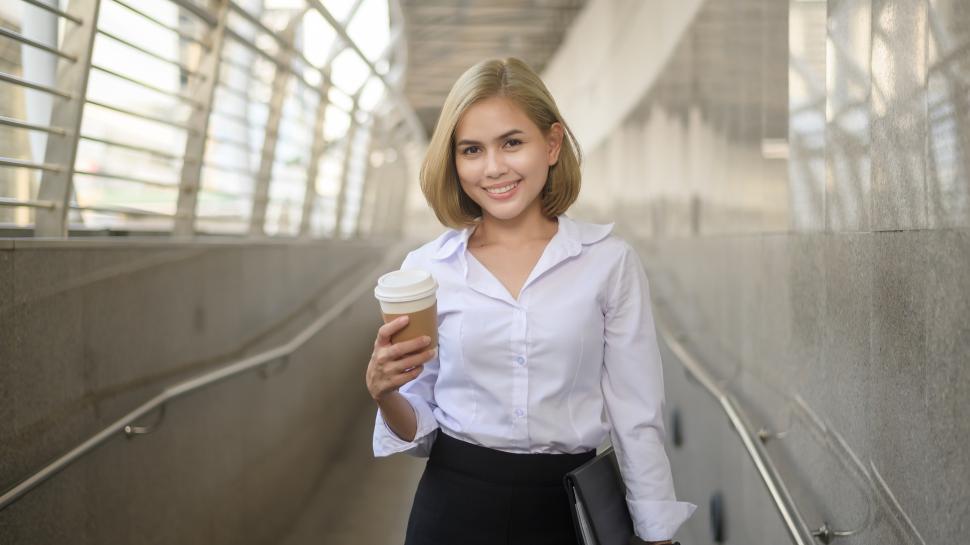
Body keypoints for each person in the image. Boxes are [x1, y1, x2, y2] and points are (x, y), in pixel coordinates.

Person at [366, 57, 696, 545]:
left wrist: (657, 535)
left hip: (568, 513)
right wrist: (385, 392)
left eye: (512, 142)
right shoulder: (427, 270)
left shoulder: (608, 262)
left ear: (553, 143)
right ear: (454, 162)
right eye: (471, 149)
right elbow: (421, 430)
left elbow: (636, 415)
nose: (494, 167)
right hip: (452, 510)